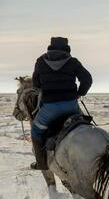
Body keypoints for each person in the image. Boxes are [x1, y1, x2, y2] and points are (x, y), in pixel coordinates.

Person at [31, 37, 92, 170]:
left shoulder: (40, 61)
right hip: (71, 105)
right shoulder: (73, 62)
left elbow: (35, 84)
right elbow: (87, 79)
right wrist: (79, 93)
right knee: (85, 125)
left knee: (35, 131)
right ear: (67, 48)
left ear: (50, 47)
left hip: (50, 108)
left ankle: (41, 163)